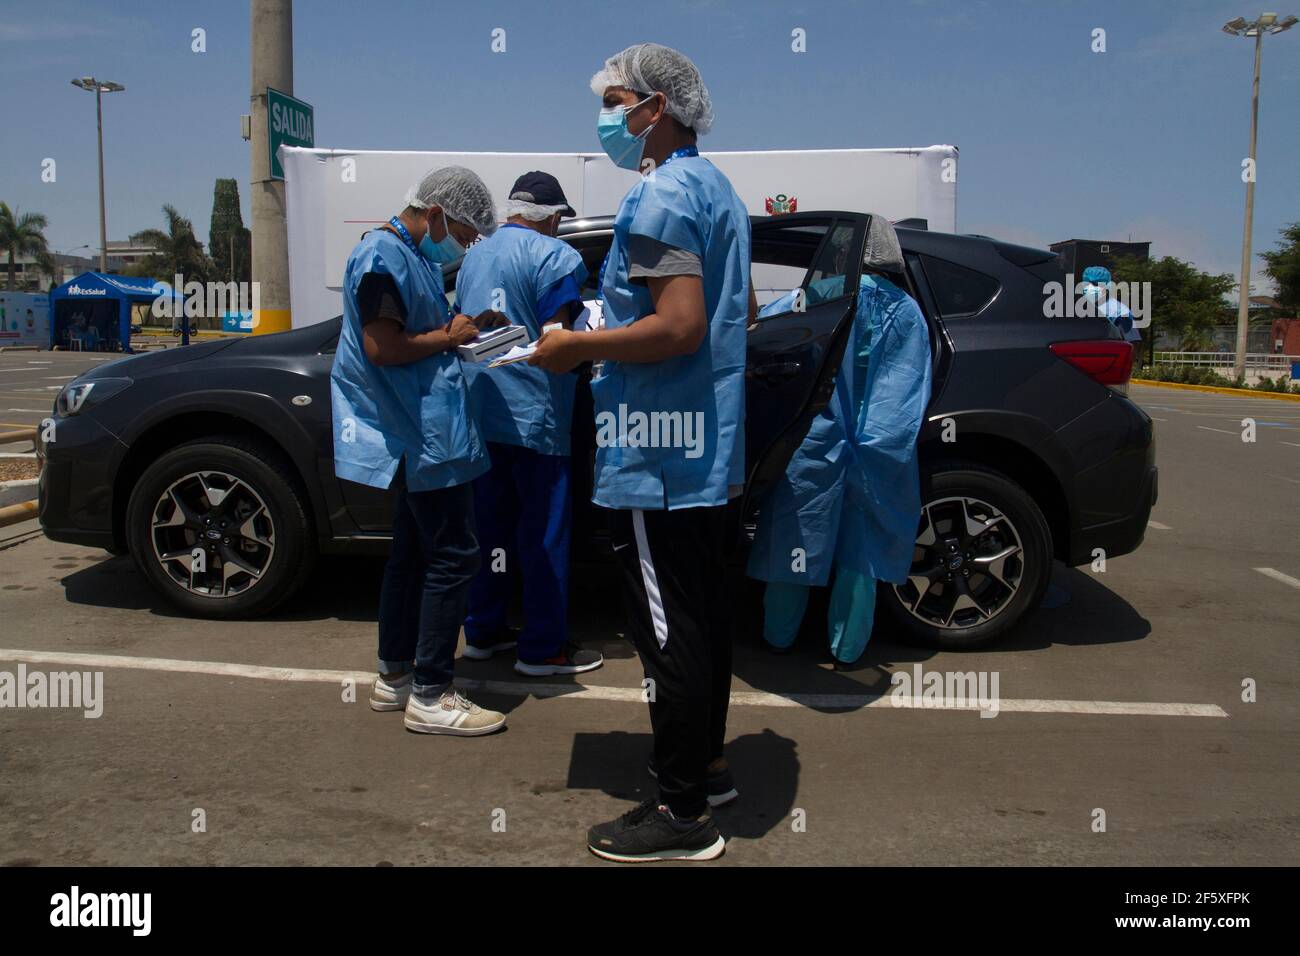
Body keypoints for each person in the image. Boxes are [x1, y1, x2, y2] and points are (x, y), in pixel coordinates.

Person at [531, 43, 753, 863]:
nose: (607, 118)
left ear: (656, 107)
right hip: (706, 445)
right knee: (700, 619)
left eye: (616, 101)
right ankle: (711, 766)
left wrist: (578, 349)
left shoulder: (661, 196)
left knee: (668, 635)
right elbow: (741, 313)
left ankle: (683, 811)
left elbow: (680, 326)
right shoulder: (717, 192)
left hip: (659, 457)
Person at [330, 165, 509, 737]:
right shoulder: (383, 257)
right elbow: (382, 347)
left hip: (423, 433)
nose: (462, 246)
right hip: (421, 436)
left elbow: (419, 332)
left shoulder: (410, 257)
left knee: (411, 556)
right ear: (433, 214)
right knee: (455, 556)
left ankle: (396, 675)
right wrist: (449, 339)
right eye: (460, 234)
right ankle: (432, 691)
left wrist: (470, 328)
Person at [747, 233, 933, 665]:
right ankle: (848, 649)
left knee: (797, 535)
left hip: (814, 443)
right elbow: (910, 387)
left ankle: (779, 637)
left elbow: (766, 336)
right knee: (862, 549)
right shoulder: (907, 311)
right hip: (881, 447)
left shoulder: (818, 296)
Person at [457, 172, 604, 677]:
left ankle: (483, 630)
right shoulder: (556, 257)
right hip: (536, 423)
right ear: (555, 218)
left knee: (492, 532)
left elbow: (470, 330)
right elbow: (556, 340)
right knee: (542, 535)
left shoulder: (476, 255)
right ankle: (543, 649)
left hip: (483, 417)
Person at [1081, 265, 1140, 344]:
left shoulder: (1120, 312)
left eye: (1095, 284)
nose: (1090, 287)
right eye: (1087, 284)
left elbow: (1132, 342)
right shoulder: (1079, 308)